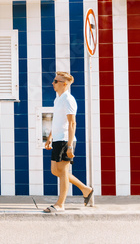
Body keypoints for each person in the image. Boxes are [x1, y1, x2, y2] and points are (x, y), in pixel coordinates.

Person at [43, 71, 93, 213]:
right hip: (58, 139)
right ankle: (85, 189)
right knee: (55, 170)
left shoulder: (68, 99)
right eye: (54, 80)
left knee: (63, 171)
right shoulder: (57, 99)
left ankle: (60, 204)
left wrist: (70, 145)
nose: (53, 83)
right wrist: (50, 137)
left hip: (65, 140)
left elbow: (72, 123)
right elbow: (57, 119)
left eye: (56, 81)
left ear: (64, 84)